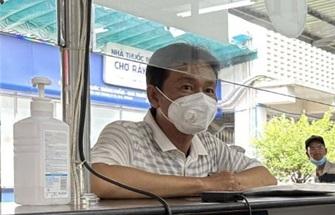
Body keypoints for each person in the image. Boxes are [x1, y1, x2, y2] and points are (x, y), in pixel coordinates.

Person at [90, 43, 276, 199]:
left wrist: (227, 183)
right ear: (154, 96)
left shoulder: (209, 143)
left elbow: (265, 177)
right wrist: (205, 184)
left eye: (209, 90)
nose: (201, 99)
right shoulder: (125, 134)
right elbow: (100, 179)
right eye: (187, 87)